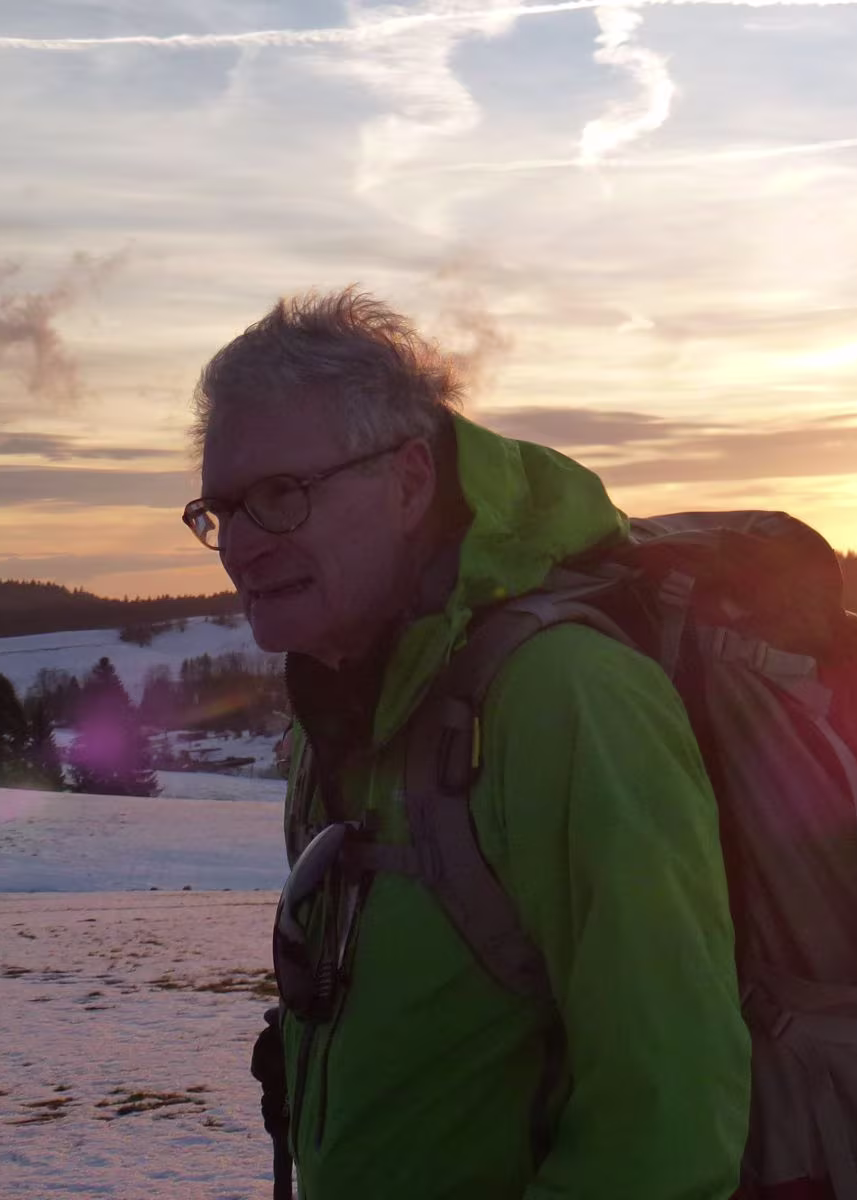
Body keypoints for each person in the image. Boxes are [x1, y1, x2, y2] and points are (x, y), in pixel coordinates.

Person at [186, 287, 753, 1199]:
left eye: (281, 495)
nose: (241, 547)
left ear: (410, 480)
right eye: (221, 510)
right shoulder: (345, 704)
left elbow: (668, 1129)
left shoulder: (566, 698)